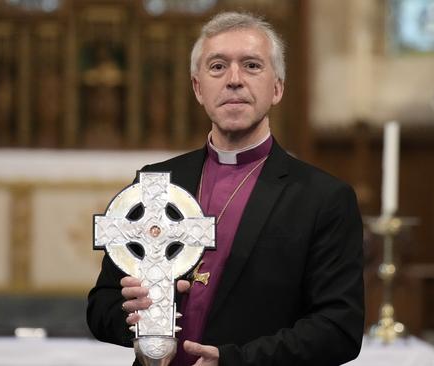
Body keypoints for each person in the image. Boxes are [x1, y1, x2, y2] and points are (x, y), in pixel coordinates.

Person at [87, 11, 364, 366]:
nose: (234, 80)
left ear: (277, 87)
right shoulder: (155, 184)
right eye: (217, 67)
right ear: (198, 88)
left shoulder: (323, 198)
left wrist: (238, 361)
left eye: (251, 66)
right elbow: (100, 307)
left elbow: (339, 329)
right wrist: (136, 319)